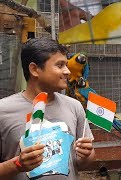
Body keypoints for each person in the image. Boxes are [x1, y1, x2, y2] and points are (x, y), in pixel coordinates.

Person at [0, 38, 95, 179]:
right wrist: (18, 164)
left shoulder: (74, 106)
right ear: (34, 69)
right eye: (60, 65)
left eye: (67, 65)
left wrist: (86, 154)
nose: (67, 71)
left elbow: (83, 164)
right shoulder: (3, 110)